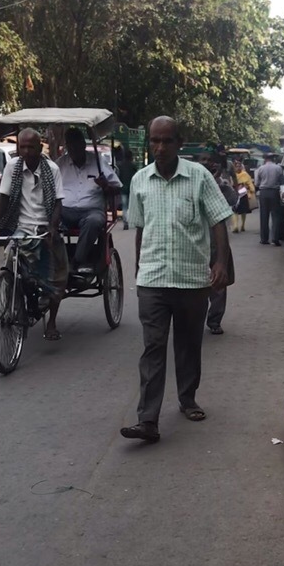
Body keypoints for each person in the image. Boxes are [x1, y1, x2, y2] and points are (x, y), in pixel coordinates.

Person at [121, 116, 233, 444]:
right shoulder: (140, 180)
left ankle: (187, 398)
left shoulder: (199, 177)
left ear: (178, 143)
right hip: (153, 280)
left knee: (188, 344)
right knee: (153, 347)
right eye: (154, 141)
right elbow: (140, 228)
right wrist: (140, 269)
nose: (159, 147)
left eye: (166, 141)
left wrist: (220, 262)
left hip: (192, 279)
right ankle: (148, 420)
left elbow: (219, 220)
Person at [0, 128, 68, 342]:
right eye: (21, 147)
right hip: (20, 227)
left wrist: (52, 227)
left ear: (39, 147)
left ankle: (51, 322)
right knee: (9, 263)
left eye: (30, 147)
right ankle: (13, 299)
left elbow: (58, 202)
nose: (26, 151)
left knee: (56, 276)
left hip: (44, 227)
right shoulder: (12, 167)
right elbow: (3, 197)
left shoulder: (51, 169)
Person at [57, 127, 121, 275]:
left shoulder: (98, 162)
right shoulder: (60, 164)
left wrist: (105, 185)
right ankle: (53, 261)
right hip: (64, 210)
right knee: (45, 222)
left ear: (83, 145)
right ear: (67, 146)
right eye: (70, 145)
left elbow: (116, 189)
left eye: (77, 144)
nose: (74, 149)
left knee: (94, 221)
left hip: (91, 211)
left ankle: (77, 261)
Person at [205, 154, 237, 335]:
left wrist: (221, 183)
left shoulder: (222, 185)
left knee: (218, 283)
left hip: (216, 241)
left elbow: (233, 201)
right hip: (196, 242)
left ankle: (214, 320)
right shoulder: (191, 184)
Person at [254, 153, 284, 245]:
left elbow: (256, 183)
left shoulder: (260, 169)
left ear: (265, 159)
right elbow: (283, 181)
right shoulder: (278, 168)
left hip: (263, 193)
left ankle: (264, 239)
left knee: (264, 215)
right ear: (273, 159)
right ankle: (275, 238)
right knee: (275, 215)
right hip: (274, 192)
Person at [231, 158, 255, 233]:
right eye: (236, 166)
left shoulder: (245, 174)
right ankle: (235, 226)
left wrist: (252, 190)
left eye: (239, 166)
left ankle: (243, 225)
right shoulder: (232, 175)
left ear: (241, 167)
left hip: (244, 194)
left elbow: (250, 182)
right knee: (234, 210)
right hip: (235, 194)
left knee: (243, 211)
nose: (238, 167)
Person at [118, 147, 138, 230]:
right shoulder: (133, 166)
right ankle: (133, 221)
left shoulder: (120, 165)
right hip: (132, 188)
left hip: (123, 188)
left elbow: (118, 177)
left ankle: (125, 221)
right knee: (132, 205)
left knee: (124, 206)